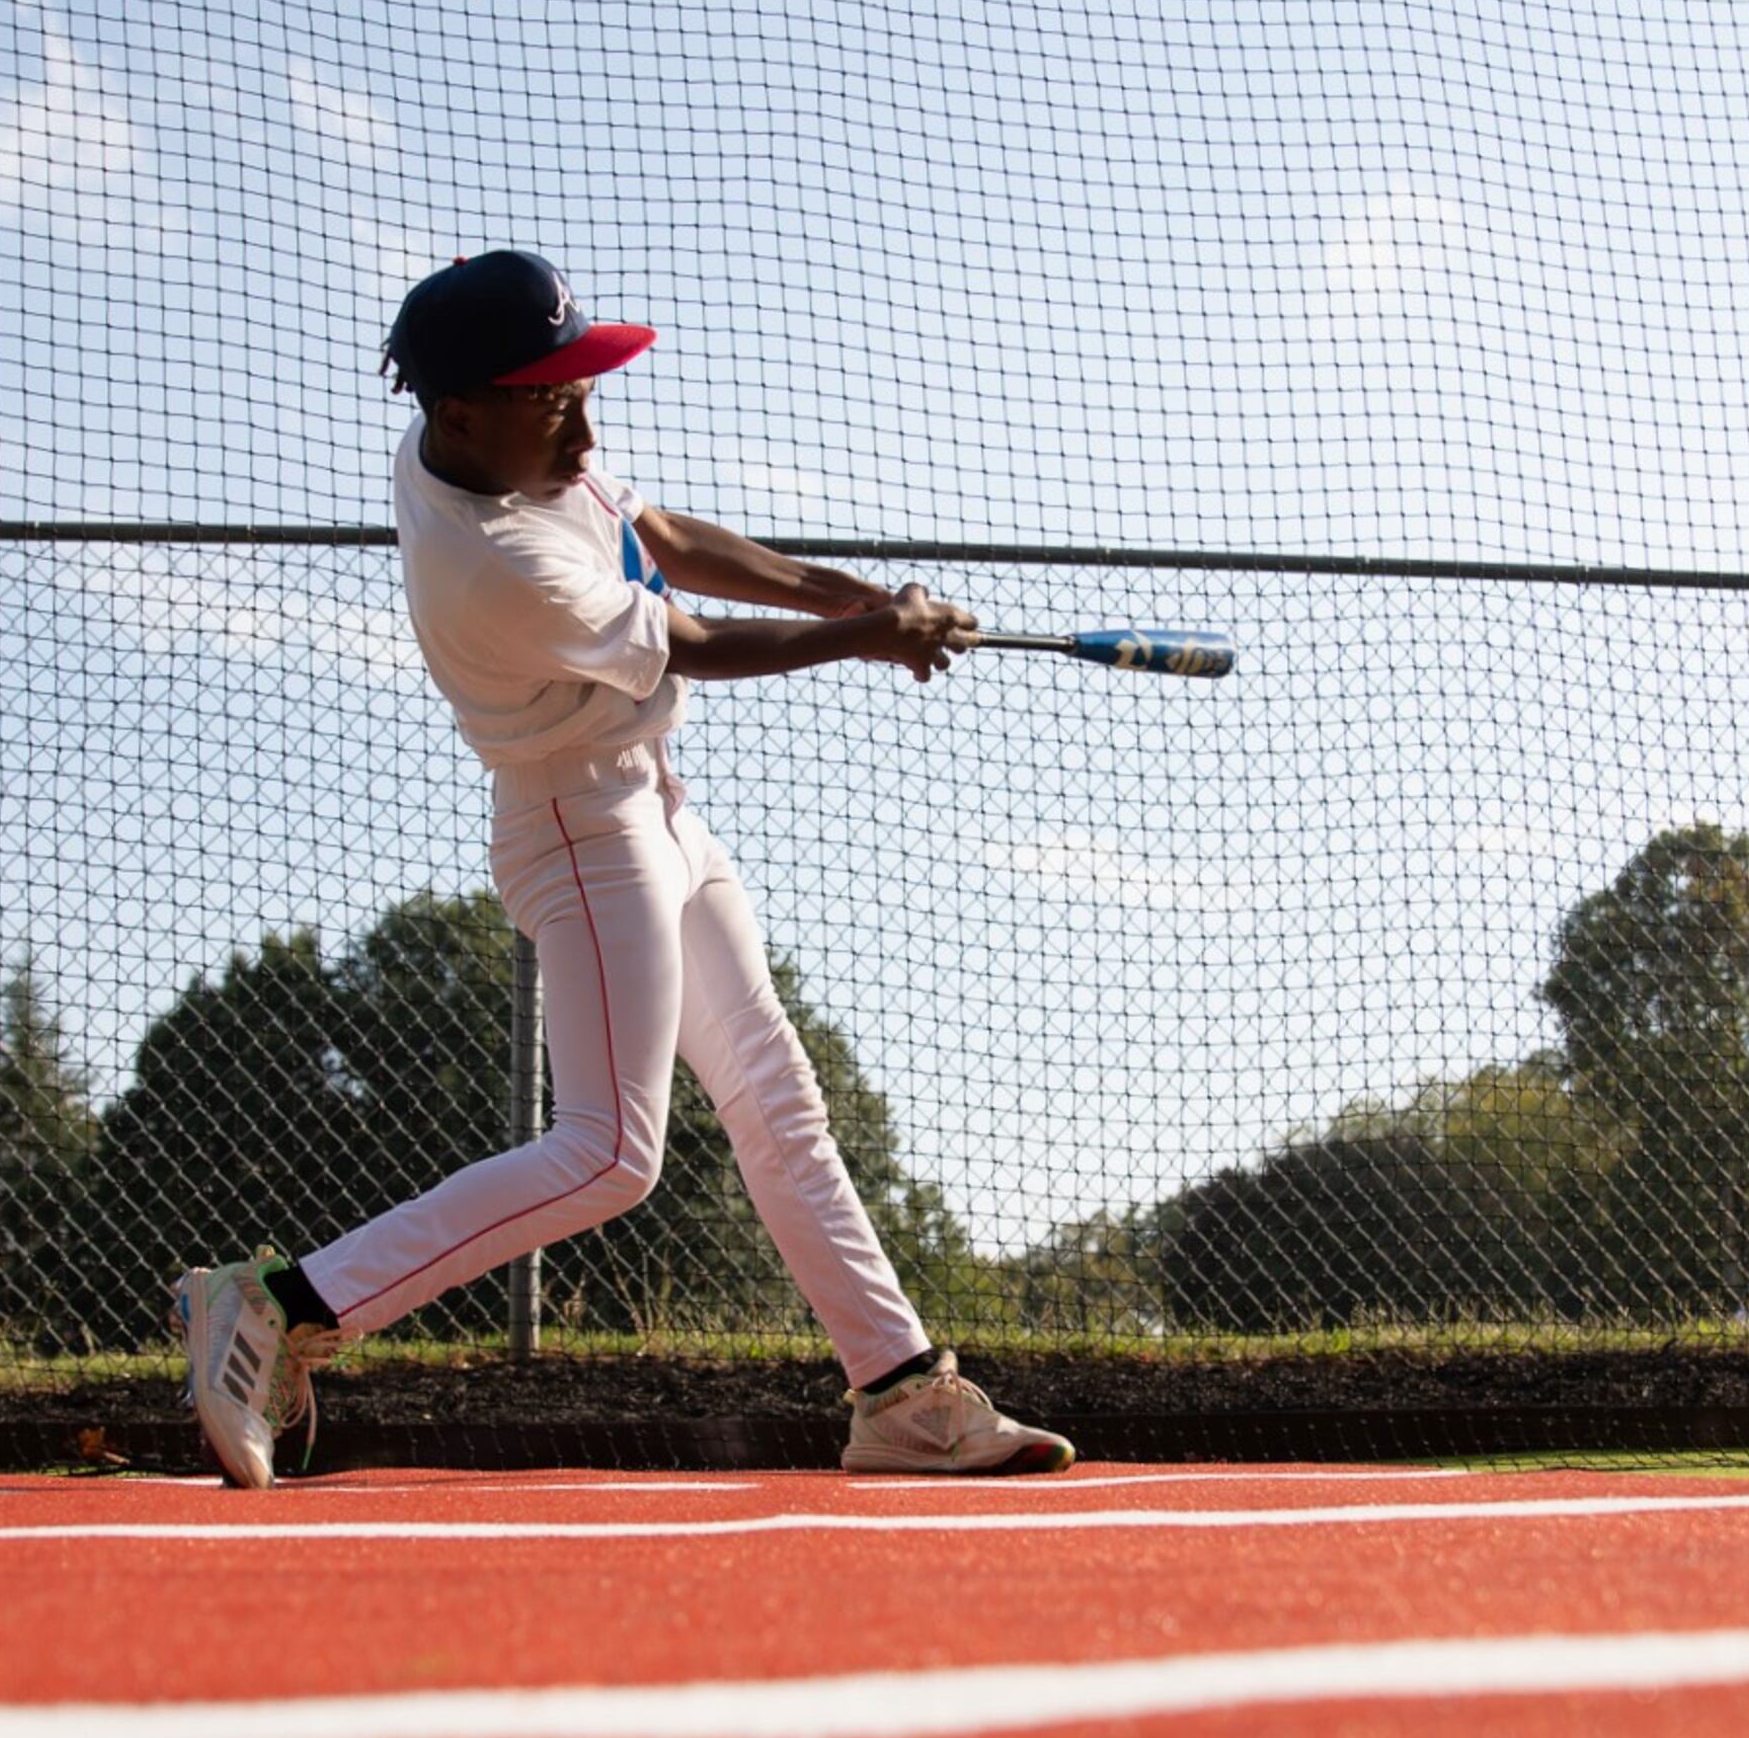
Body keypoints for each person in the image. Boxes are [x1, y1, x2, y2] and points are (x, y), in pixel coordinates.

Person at [173, 248, 1078, 1486]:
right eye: (557, 401)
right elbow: (691, 640)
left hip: (653, 806)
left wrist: (859, 598)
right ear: (459, 413)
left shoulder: (510, 442)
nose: (587, 429)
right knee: (608, 1154)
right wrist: (872, 638)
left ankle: (902, 1396)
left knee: (777, 1099)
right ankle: (285, 1299)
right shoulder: (492, 560)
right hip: (579, 829)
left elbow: (656, 535)